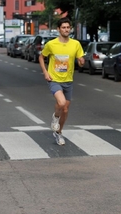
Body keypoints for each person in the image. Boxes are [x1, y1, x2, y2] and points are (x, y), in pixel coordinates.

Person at [39, 17, 85, 146]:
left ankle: (59, 133)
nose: (66, 30)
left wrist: (81, 62)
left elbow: (81, 60)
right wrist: (45, 72)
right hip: (54, 79)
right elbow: (41, 57)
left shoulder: (75, 44)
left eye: (68, 27)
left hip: (68, 80)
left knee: (65, 109)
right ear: (58, 29)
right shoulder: (51, 44)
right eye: (63, 27)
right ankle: (55, 117)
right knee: (61, 102)